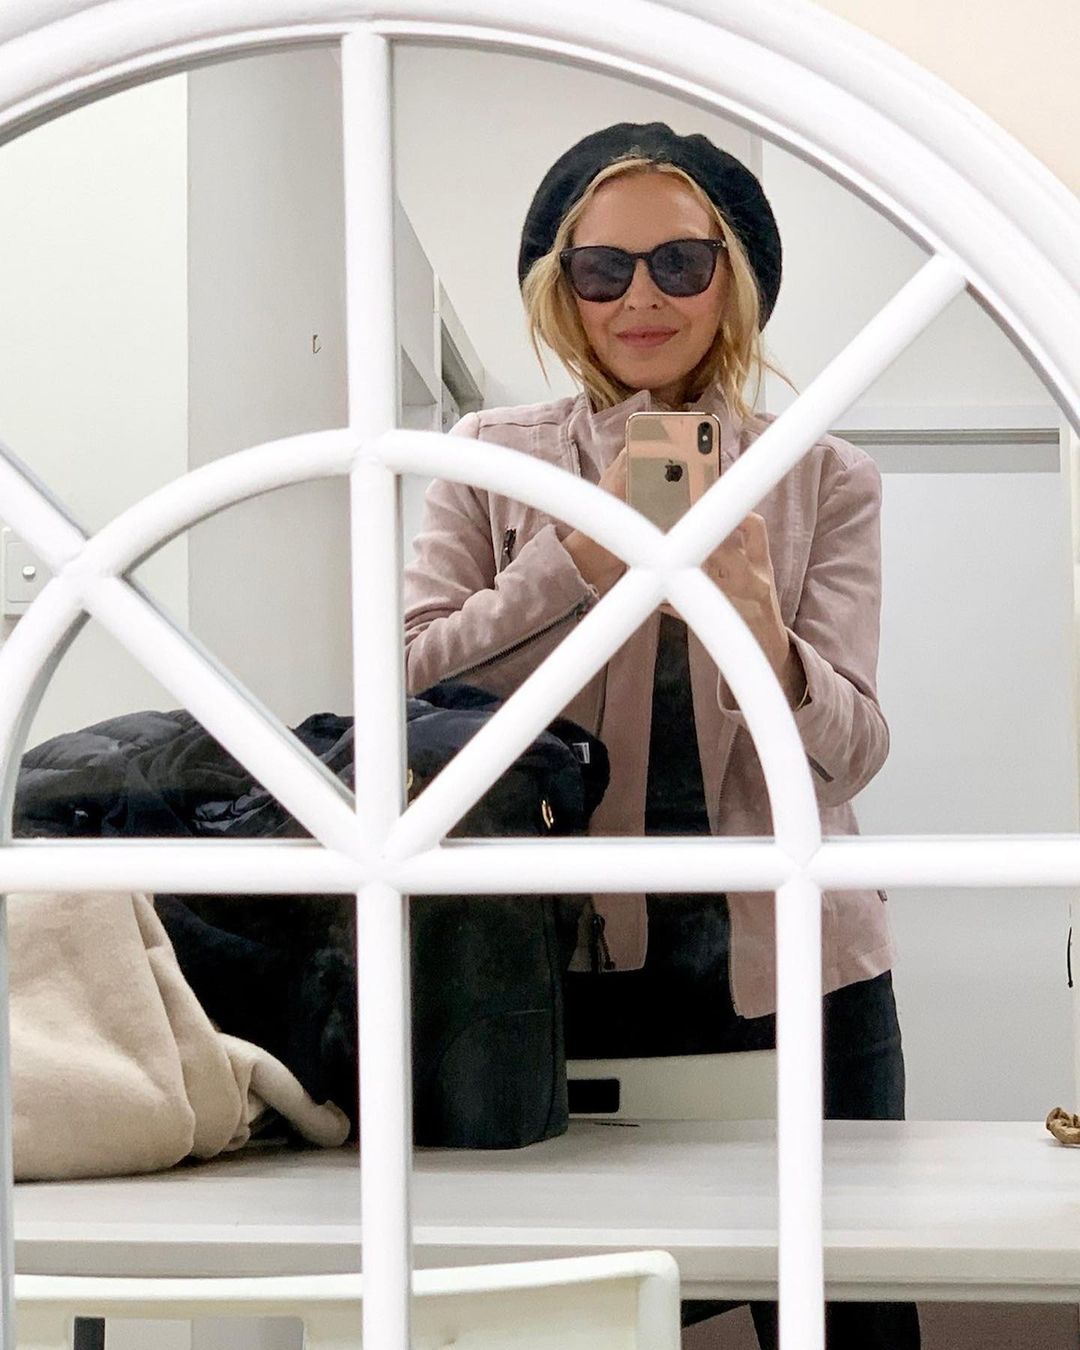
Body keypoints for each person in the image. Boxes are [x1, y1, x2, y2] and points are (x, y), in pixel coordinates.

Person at [403, 121, 918, 1350]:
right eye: (604, 268)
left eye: (681, 263)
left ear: (731, 279)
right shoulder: (487, 461)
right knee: (568, 1309)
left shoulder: (822, 475)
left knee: (845, 1300)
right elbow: (407, 683)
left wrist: (760, 627)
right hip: (559, 965)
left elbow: (852, 751)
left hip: (800, 971)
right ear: (562, 288)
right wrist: (578, 554)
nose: (642, 298)